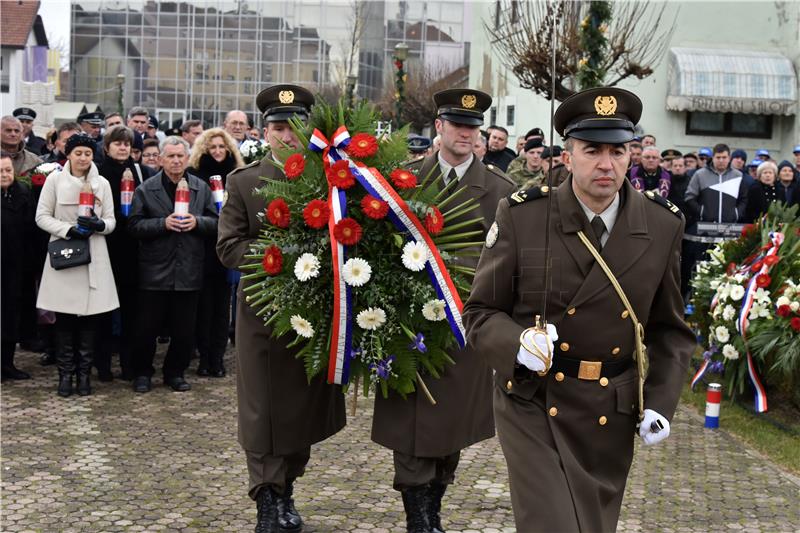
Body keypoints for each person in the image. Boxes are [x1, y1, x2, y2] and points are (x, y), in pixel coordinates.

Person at [463, 87, 695, 533]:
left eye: (618, 151)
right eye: (592, 150)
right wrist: (518, 344)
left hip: (610, 408)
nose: (606, 164)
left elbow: (670, 330)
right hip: (535, 399)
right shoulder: (524, 216)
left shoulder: (662, 225)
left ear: (632, 154)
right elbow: (480, 312)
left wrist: (661, 401)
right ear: (568, 156)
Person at [372, 88, 516, 533]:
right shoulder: (405, 180)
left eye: (473, 127)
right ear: (439, 127)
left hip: (465, 326)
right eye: (457, 125)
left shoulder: (501, 191)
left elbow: (511, 258)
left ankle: (433, 503)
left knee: (452, 423)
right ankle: (420, 517)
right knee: (411, 419)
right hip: (410, 324)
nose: (465, 133)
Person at [217, 84, 346, 533]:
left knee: (302, 410)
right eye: (277, 127)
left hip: (317, 318)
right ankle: (267, 502)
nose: (286, 136)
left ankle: (287, 488)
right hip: (263, 317)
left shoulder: (331, 179)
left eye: (294, 127)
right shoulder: (244, 181)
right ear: (264, 132)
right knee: (263, 412)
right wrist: (283, 253)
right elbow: (228, 247)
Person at [127, 137, 218, 394]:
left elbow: (218, 222)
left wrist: (198, 222)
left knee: (184, 330)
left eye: (181, 156)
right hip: (154, 270)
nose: (176, 161)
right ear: (161, 159)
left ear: (188, 159)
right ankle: (142, 373)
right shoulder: (146, 189)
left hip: (188, 268)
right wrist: (162, 224)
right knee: (146, 328)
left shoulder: (200, 188)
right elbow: (133, 225)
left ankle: (174, 373)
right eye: (171, 156)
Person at [35, 134, 119, 397]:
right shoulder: (54, 180)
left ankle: (84, 376)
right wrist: (68, 230)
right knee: (64, 319)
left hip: (94, 253)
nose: (83, 158)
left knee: (89, 320)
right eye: (78, 153)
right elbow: (42, 216)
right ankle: (65, 375)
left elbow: (111, 221)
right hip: (65, 253)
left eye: (88, 153)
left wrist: (99, 225)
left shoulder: (101, 183)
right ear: (68, 154)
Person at [187, 127, 244, 377]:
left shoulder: (237, 174)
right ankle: (204, 356)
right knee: (203, 306)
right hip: (202, 246)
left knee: (223, 307)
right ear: (204, 149)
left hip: (228, 247)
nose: (218, 151)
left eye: (222, 147)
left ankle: (217, 359)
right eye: (213, 147)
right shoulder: (194, 175)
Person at [97, 125, 151, 381]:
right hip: (106, 247)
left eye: (127, 144)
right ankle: (103, 365)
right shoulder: (99, 172)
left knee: (133, 312)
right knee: (104, 311)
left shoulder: (139, 172)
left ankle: (130, 365)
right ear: (107, 147)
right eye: (117, 143)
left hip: (133, 250)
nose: (122, 148)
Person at [1, 154, 35, 380]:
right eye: (0, 171)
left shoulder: (23, 194)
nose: (4, 175)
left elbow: (32, 229)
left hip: (17, 267)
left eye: (7, 171)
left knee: (12, 316)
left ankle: (7, 363)